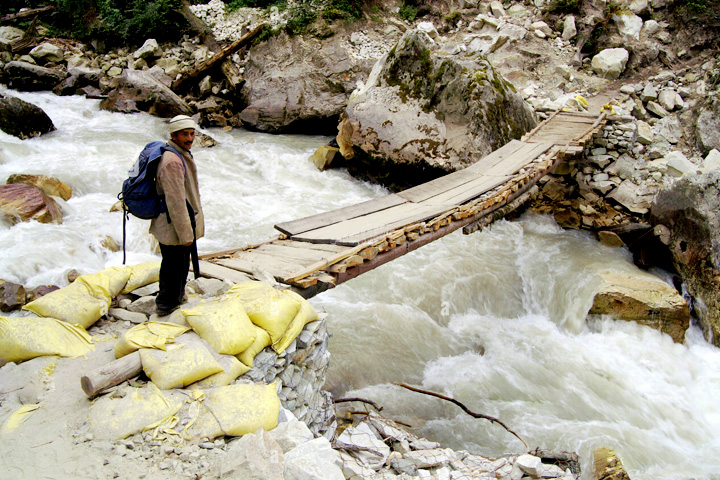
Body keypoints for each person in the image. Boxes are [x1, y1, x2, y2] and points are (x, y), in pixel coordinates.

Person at [150, 114, 205, 315]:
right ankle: (165, 305)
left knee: (179, 263)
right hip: (173, 224)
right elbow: (176, 203)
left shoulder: (178, 153)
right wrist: (186, 236)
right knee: (173, 265)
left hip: (176, 224)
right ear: (173, 135)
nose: (190, 138)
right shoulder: (172, 161)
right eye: (185, 134)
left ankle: (176, 297)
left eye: (192, 134)